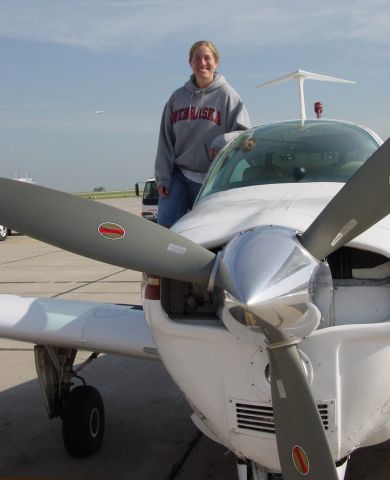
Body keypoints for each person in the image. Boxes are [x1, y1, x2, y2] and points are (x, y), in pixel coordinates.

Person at [154, 40, 251, 227]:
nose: (202, 63)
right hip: (179, 176)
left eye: (207, 58)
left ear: (216, 62)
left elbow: (245, 136)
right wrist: (162, 178)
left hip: (212, 178)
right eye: (197, 58)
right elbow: (165, 140)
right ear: (190, 63)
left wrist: (221, 142)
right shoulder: (177, 98)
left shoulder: (228, 95)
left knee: (209, 233)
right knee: (166, 228)